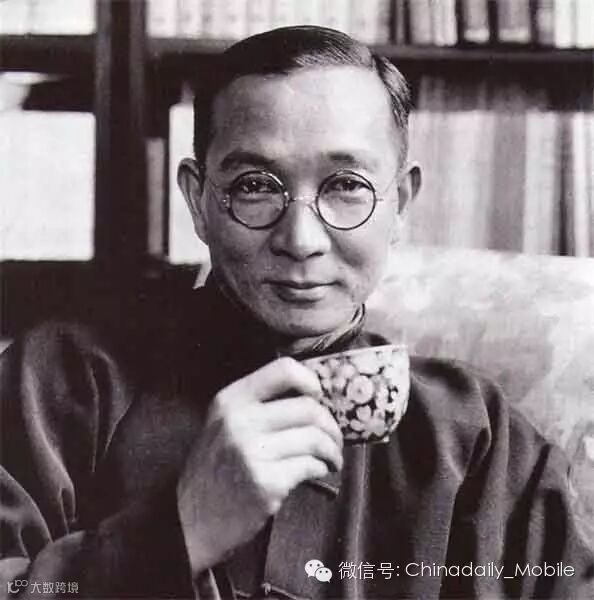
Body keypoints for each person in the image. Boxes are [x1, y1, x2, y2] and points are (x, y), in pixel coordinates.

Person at [0, 26, 592, 600]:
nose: (301, 240)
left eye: (347, 186)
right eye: (255, 186)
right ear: (198, 201)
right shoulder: (64, 380)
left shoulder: (475, 437)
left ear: (401, 204)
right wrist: (178, 532)